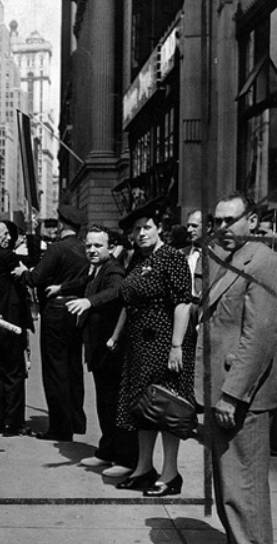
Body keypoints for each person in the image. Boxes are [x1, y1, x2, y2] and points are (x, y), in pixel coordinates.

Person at [195, 192, 277, 544]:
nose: (223, 227)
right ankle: (237, 542)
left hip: (242, 393)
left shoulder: (263, 262)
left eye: (231, 220)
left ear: (253, 221)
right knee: (228, 474)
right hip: (221, 387)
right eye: (218, 221)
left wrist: (233, 394)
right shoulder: (231, 258)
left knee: (244, 476)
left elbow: (258, 337)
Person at [108, 201, 194, 493]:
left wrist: (176, 346)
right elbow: (128, 301)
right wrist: (117, 336)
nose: (141, 233)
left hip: (164, 343)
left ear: (159, 229)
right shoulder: (138, 259)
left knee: (167, 408)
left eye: (147, 227)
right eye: (136, 229)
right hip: (138, 347)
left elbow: (183, 303)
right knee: (142, 408)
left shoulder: (172, 258)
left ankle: (170, 475)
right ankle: (144, 468)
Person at [62, 225, 135, 471]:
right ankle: (107, 451)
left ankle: (125, 459)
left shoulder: (114, 269)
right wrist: (60, 289)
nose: (92, 250)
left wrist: (89, 302)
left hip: (111, 349)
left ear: (111, 248)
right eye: (89, 245)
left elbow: (116, 290)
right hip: (98, 349)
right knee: (104, 403)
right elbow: (83, 281)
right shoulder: (96, 268)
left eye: (98, 246)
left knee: (114, 403)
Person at [19, 204, 89, 440]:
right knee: (73, 366)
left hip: (56, 310)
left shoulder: (57, 248)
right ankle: (76, 420)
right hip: (77, 309)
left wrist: (23, 273)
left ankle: (60, 426)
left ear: (61, 224)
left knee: (55, 369)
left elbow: (36, 277)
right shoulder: (84, 248)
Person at [0, 220, 33, 436]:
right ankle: (13, 422)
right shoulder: (6, 257)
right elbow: (31, 263)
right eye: (4, 234)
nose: (9, 238)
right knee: (14, 372)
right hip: (11, 320)